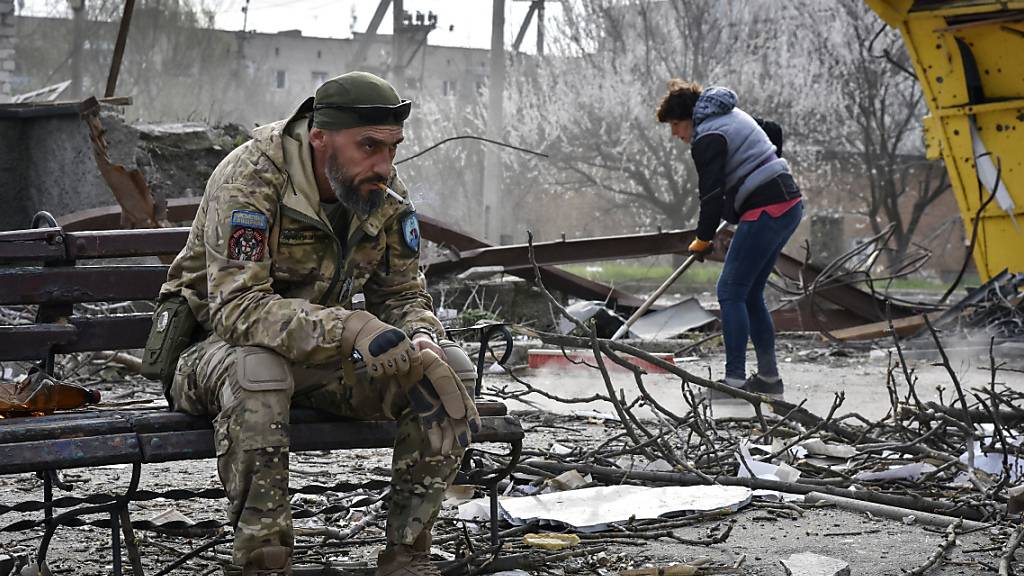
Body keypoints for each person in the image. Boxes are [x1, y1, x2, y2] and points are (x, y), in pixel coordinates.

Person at [149, 71, 480, 576]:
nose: (384, 165)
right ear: (319, 136)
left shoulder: (381, 190)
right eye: (368, 146)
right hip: (211, 352)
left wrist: (420, 337)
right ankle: (264, 559)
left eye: (392, 148)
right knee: (259, 371)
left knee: (442, 371)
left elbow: (403, 293)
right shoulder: (251, 179)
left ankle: (408, 555)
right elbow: (237, 310)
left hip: (317, 359)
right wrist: (350, 329)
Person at [656, 80, 803, 399]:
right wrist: (762, 168)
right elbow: (773, 130)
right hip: (786, 204)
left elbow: (710, 194)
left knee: (729, 290)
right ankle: (768, 380)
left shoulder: (707, 136)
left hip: (767, 209)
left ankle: (734, 383)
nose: (675, 134)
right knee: (749, 294)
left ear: (689, 118)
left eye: (676, 125)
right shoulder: (731, 114)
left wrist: (703, 238)